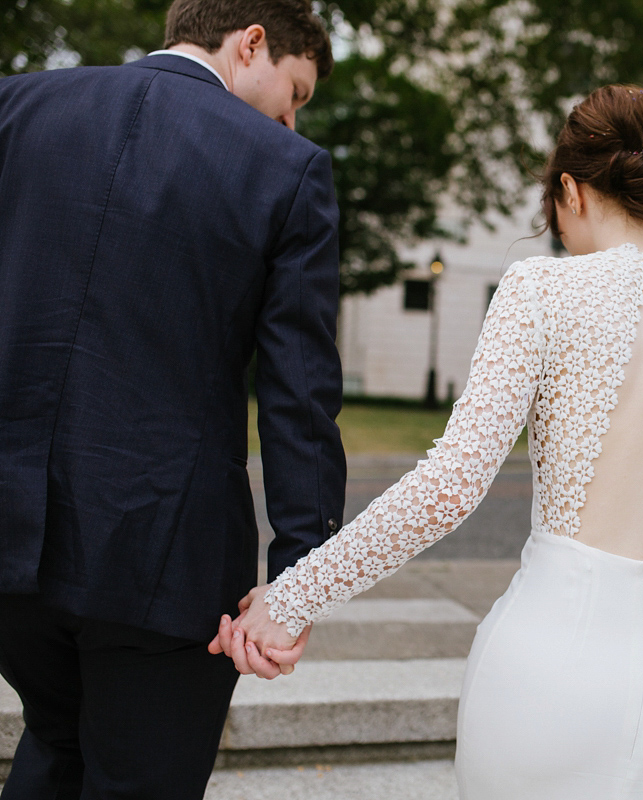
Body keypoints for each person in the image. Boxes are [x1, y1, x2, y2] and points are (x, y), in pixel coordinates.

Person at [217, 85, 643, 798]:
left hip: (546, 673)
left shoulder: (542, 291)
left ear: (570, 191)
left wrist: (291, 599)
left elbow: (449, 487)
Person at [0, 1, 346, 796]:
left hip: (12, 544)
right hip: (163, 559)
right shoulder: (285, 170)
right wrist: (298, 580)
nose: (290, 123)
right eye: (293, 93)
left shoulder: (16, 109)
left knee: (54, 745)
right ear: (250, 41)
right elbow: (298, 395)